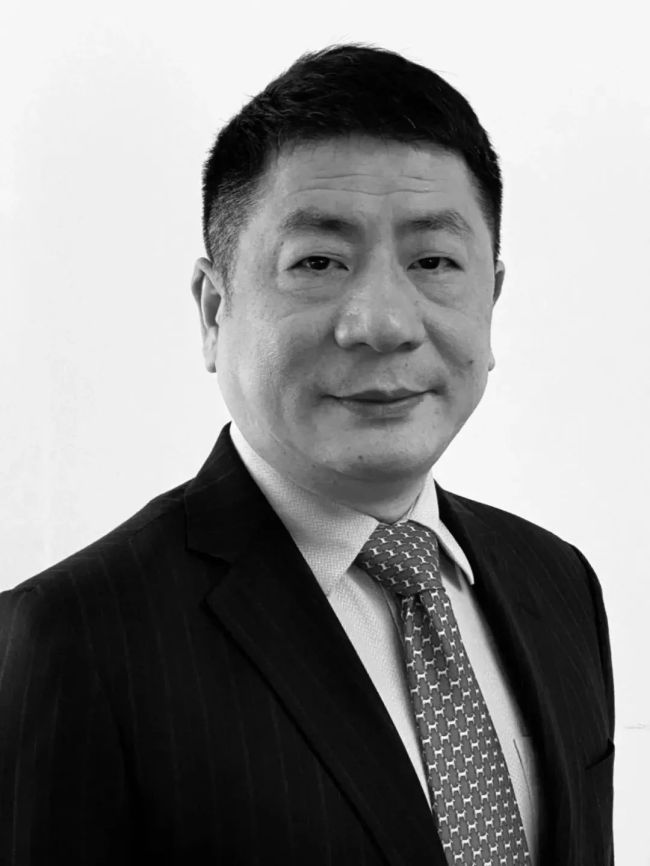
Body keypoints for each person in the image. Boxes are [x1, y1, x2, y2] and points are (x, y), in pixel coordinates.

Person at [0, 43, 614, 866]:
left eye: (434, 262)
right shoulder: (72, 639)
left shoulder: (559, 583)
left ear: (491, 299)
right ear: (214, 310)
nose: (383, 323)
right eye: (319, 263)